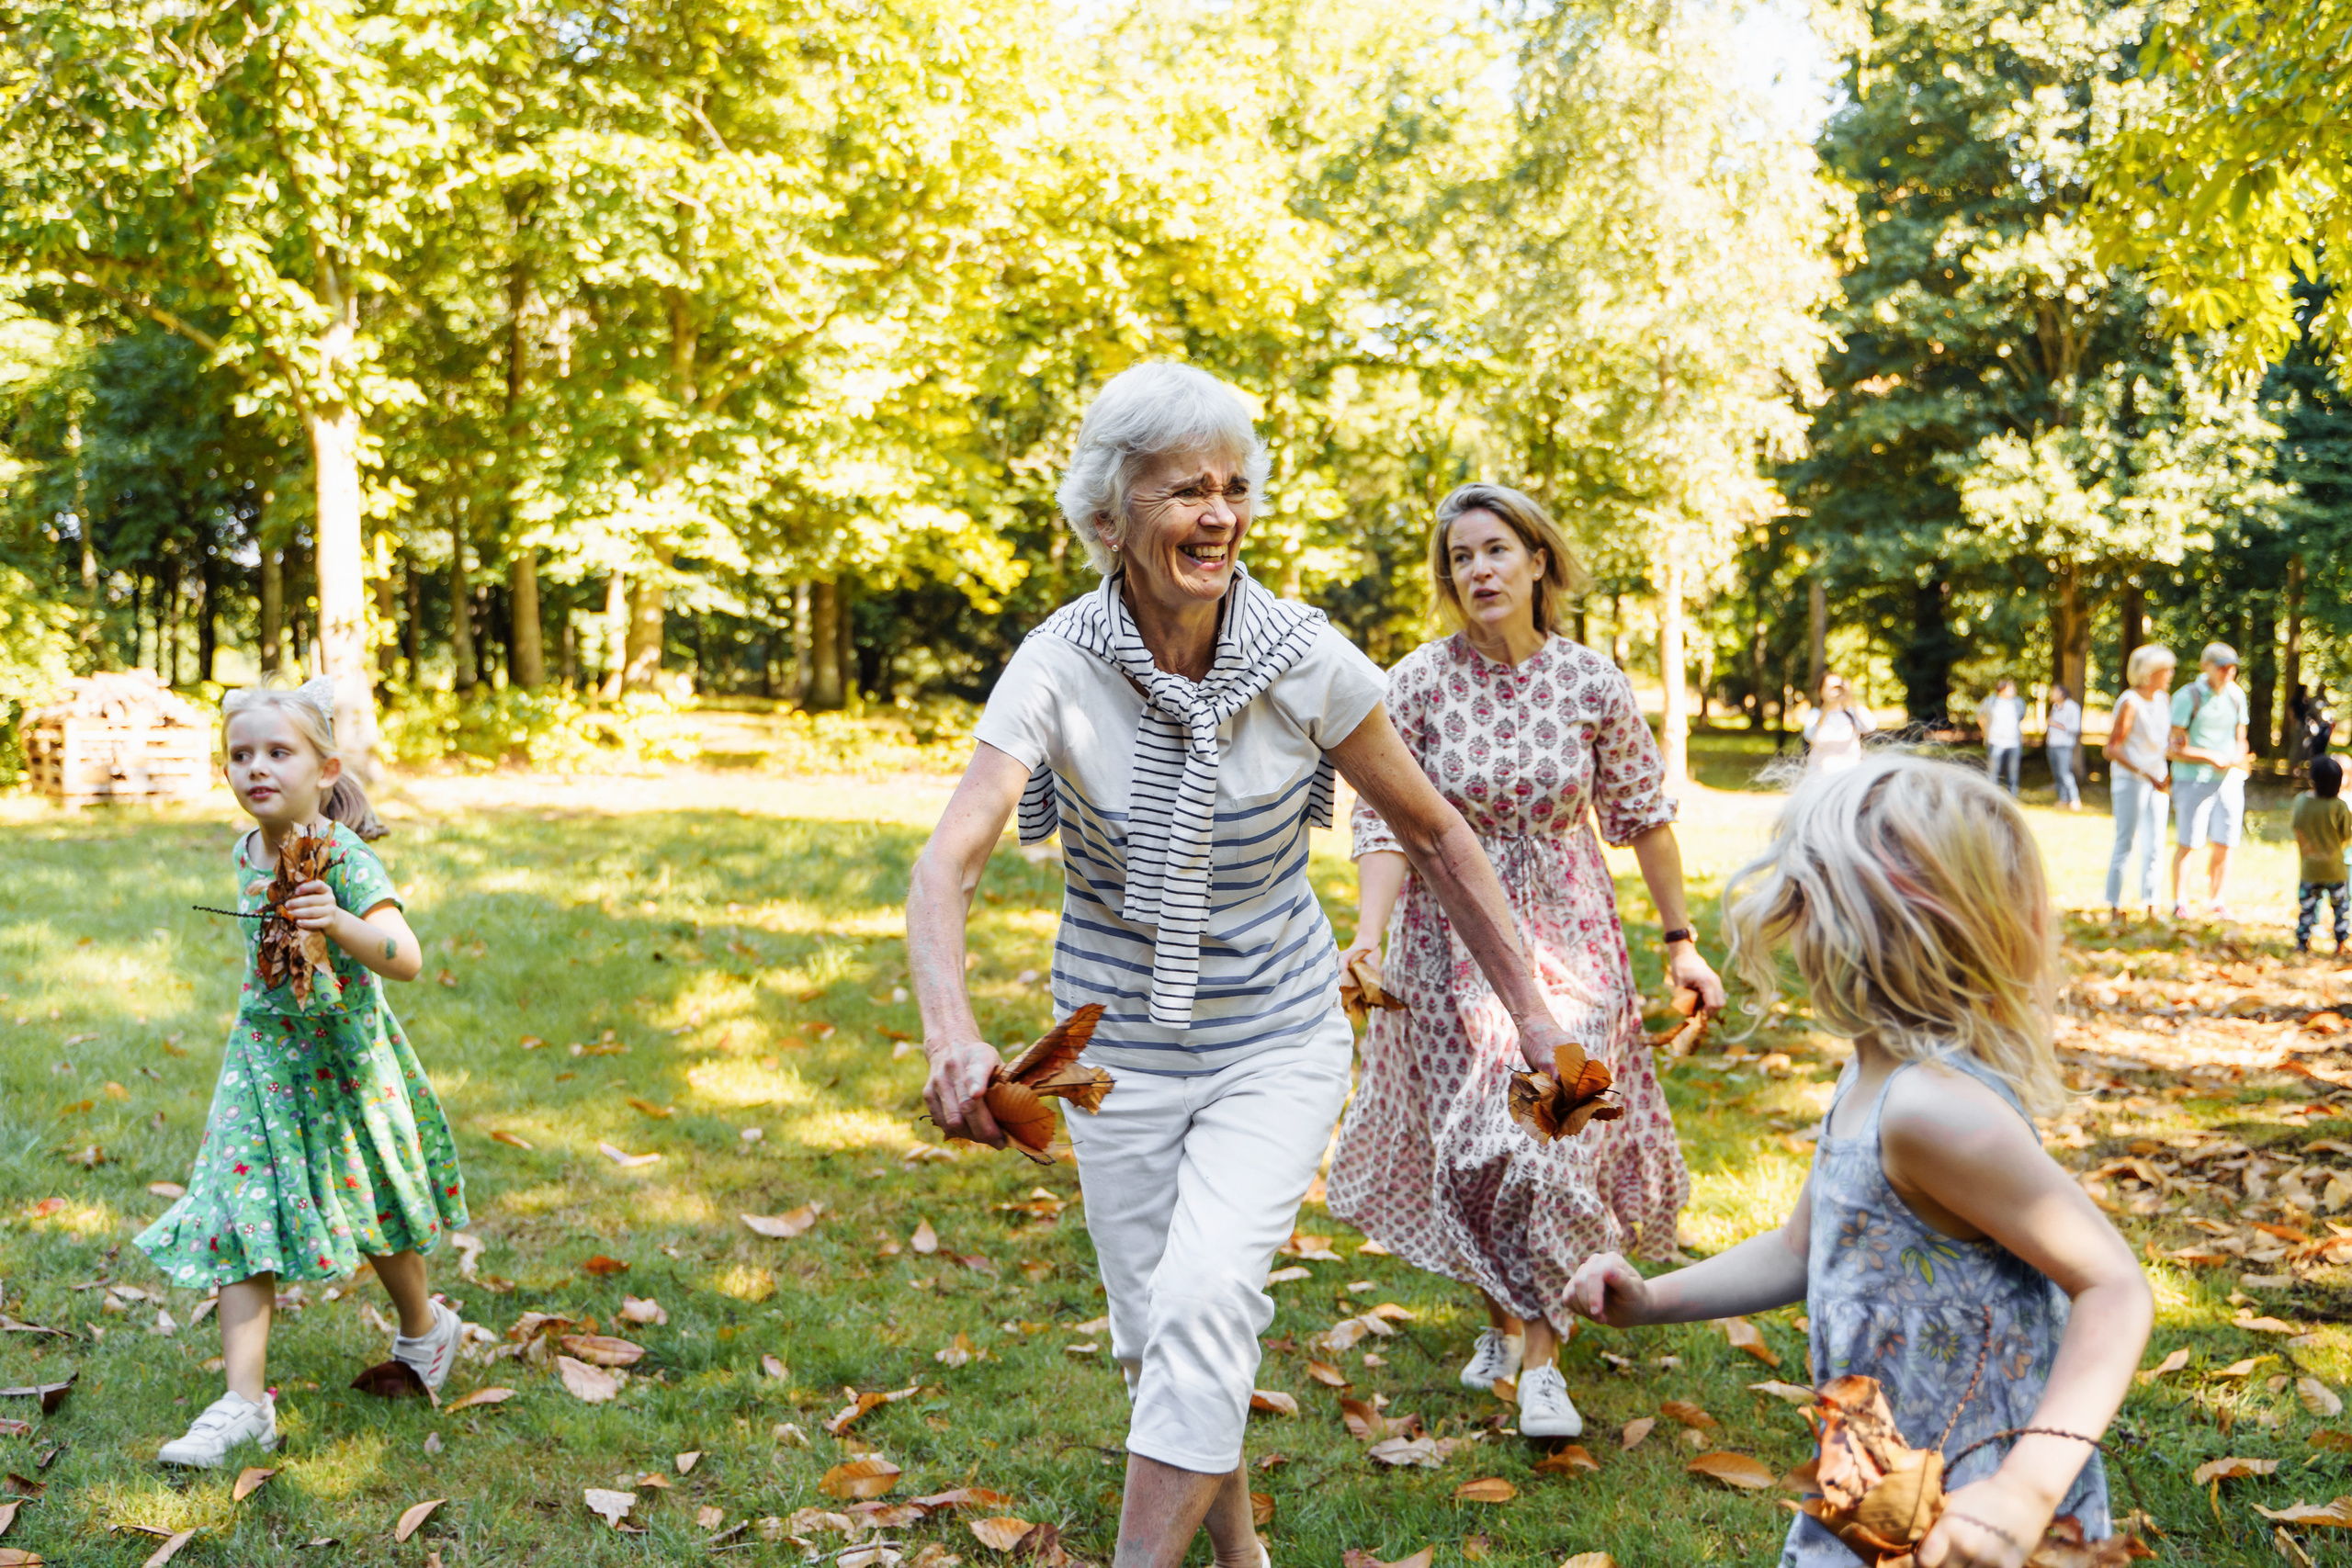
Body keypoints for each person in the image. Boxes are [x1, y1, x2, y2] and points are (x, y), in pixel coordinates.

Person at [907, 363, 1582, 1568]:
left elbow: (1434, 832)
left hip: (1274, 1032)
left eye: (1233, 487)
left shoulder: (1299, 655)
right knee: (1153, 1339)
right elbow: (949, 859)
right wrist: (953, 1028)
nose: (1218, 514)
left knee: (1209, 1296)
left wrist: (1534, 1016)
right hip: (1112, 1052)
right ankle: (1241, 1555)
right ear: (1109, 516)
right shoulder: (1059, 662)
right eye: (1183, 491)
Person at [1567, 756, 2151, 1568]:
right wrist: (1650, 1299)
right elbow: (1802, 1249)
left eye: (1804, 899)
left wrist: (2026, 1487)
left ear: (1872, 926)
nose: (1787, 920)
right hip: (1881, 1481)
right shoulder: (1869, 1075)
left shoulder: (1931, 1109)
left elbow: (2114, 1285)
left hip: (1976, 1496)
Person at [1327, 483, 1725, 1441]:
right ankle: (1500, 1316)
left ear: (1537, 561)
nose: (1479, 571)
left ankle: (1543, 1363)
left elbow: (1641, 816)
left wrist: (1680, 943)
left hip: (1574, 939)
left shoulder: (1590, 681)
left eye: (1496, 550)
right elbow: (1383, 819)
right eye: (1460, 558)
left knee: (1554, 1135)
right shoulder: (1417, 682)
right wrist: (1369, 937)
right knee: (1477, 1148)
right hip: (1448, 940)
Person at [141, 677, 466, 1469]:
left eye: (278, 753)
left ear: (324, 770)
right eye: (240, 755)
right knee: (237, 1210)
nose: (256, 768)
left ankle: (426, 1329)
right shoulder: (248, 849)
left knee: (376, 1209)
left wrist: (341, 920)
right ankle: (245, 1404)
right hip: (259, 1066)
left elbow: (409, 959)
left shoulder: (343, 855)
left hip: (343, 1065)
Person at [2168, 642, 2250, 919]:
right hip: (2192, 779)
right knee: (2189, 842)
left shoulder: (2237, 696)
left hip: (2228, 780)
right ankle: (2180, 901)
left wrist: (2237, 758)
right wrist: (2209, 757)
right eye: (2222, 666)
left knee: (2225, 842)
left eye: (2232, 667)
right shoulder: (2187, 697)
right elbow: (2173, 747)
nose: (2228, 672)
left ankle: (2217, 900)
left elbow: (2241, 736)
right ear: (2206, 666)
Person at [2103, 645, 2177, 920]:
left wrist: (2173, 746)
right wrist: (2146, 773)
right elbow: (2112, 748)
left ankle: (2152, 904)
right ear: (2149, 673)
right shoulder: (2130, 701)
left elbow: (2160, 741)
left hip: (2157, 779)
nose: (2170, 674)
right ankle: (2114, 904)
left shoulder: (2163, 700)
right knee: (2126, 841)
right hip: (2131, 781)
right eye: (2165, 670)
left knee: (2155, 843)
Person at [2293, 755, 2352, 956]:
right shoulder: (2339, 806)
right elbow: (2346, 834)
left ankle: (2302, 942)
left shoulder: (2302, 801)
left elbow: (2296, 827)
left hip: (2310, 867)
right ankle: (2341, 943)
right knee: (2341, 909)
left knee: (2307, 908)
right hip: (2336, 868)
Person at [1801, 671, 1876, 774]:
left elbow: (1870, 726)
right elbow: (1809, 736)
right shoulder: (1816, 714)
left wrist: (1851, 701)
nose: (1835, 690)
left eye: (1839, 686)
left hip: (1849, 774)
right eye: (1829, 687)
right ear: (1821, 690)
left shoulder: (1852, 713)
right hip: (1820, 775)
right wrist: (1827, 707)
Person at [1978, 678, 2025, 795]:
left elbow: (2022, 717)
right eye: (2010, 687)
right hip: (1996, 741)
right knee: (1994, 772)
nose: (2013, 690)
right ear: (2001, 689)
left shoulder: (2018, 702)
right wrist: (1985, 730)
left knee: (2013, 772)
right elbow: (1980, 715)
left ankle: (2012, 796)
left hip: (2014, 742)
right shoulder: (1991, 701)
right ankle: (1993, 795)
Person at [2045, 682, 2083, 809]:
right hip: (2052, 745)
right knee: (2057, 774)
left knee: (2065, 773)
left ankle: (2075, 799)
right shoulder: (2055, 707)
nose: (2051, 695)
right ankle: (2063, 799)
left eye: (2053, 692)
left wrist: (2058, 725)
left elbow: (2075, 728)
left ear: (2062, 693)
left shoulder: (2072, 707)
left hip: (2064, 745)